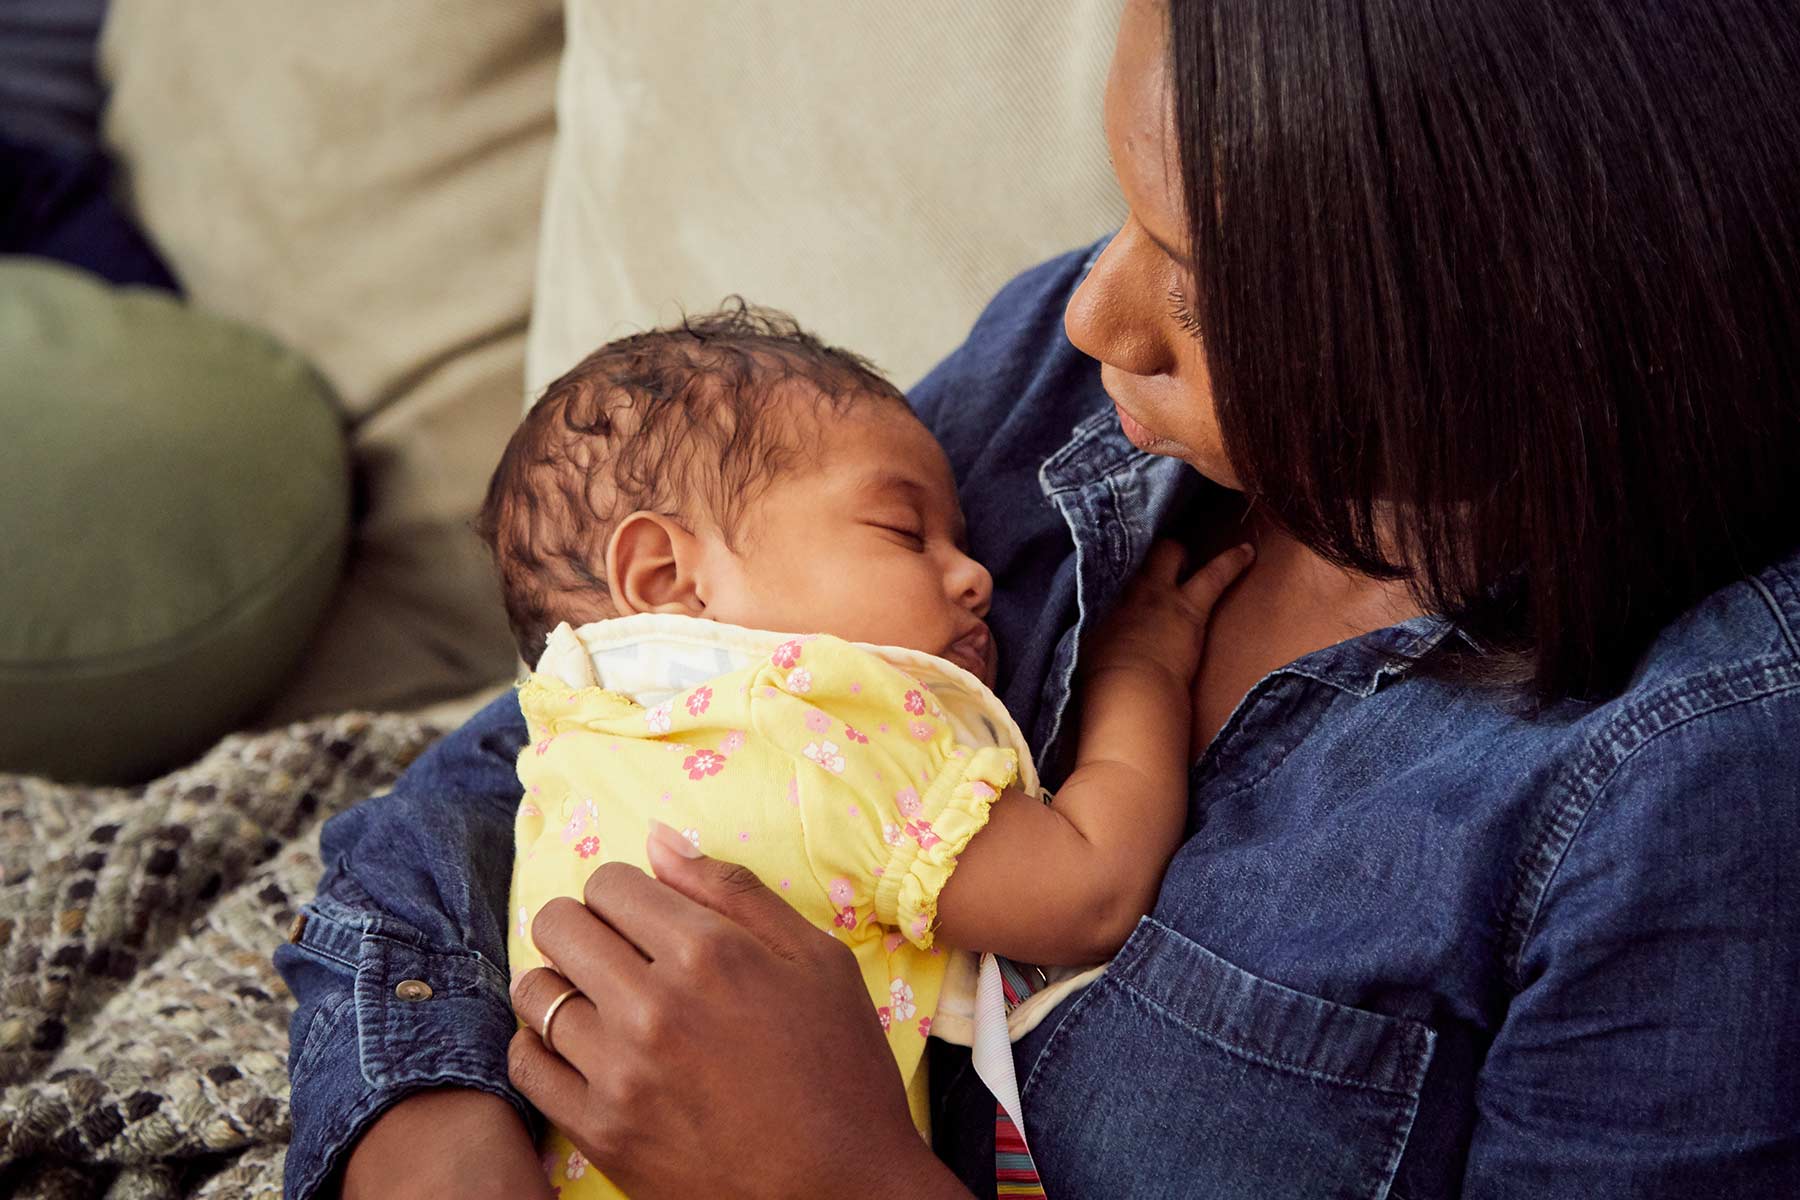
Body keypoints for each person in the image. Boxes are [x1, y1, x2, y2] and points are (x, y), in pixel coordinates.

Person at [276, 0, 1800, 1195]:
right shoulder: (1070, 385)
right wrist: (431, 1131)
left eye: (1201, 281)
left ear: (1504, 319)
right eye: (1122, 210)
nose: (1087, 312)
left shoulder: (1700, 784)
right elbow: (509, 764)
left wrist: (836, 1180)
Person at [481, 306, 1251, 1194]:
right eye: (901, 531)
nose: (976, 577)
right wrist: (1141, 667)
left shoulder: (571, 733)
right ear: (667, 577)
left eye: (958, 539)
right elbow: (1090, 888)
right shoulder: (814, 723)